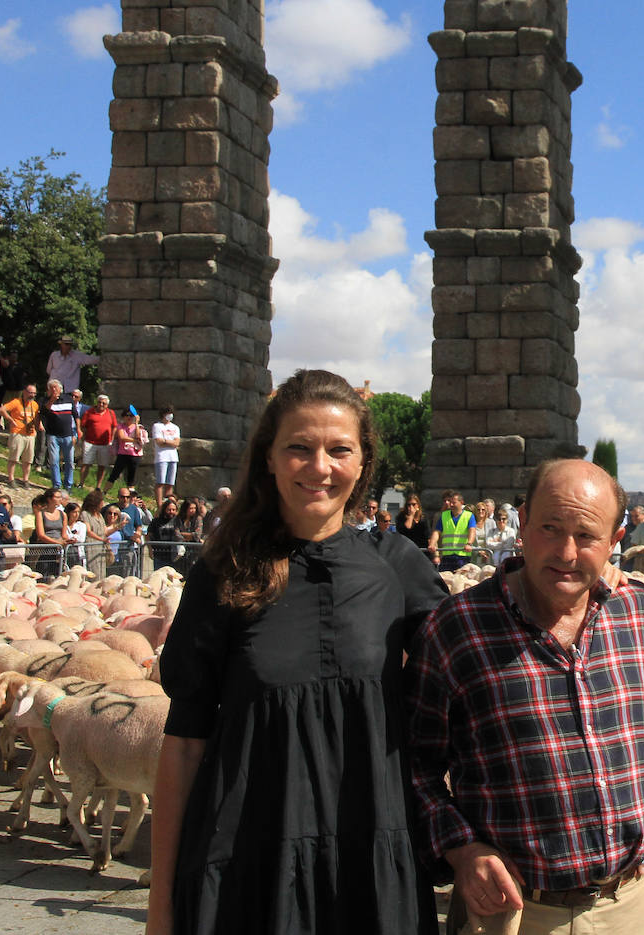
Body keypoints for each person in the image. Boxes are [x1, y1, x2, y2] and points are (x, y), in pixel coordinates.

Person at [148, 369, 446, 934]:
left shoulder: (399, 566)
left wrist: (583, 581)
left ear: (362, 463)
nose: (320, 467)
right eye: (299, 449)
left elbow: (481, 663)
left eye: (339, 450)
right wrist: (161, 909)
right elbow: (184, 744)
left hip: (373, 856)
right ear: (269, 457)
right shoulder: (223, 573)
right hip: (248, 861)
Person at [405, 458, 644, 934]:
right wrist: (462, 848)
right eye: (550, 527)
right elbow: (413, 765)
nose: (566, 552)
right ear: (522, 523)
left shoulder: (640, 614)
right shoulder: (456, 628)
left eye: (587, 536)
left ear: (614, 541)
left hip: (628, 906)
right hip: (509, 912)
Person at [39, 380, 78, 490]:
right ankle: (56, 485)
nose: (53, 390)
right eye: (51, 388)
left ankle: (68, 485)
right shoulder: (44, 400)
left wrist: (78, 431)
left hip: (67, 435)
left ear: (60, 389)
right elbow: (44, 413)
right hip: (53, 435)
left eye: (55, 388)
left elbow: (76, 415)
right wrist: (52, 400)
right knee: (54, 460)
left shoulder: (68, 399)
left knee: (70, 461)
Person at [0, 383, 39, 487]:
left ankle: (25, 480)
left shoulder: (35, 405)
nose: (32, 395)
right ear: (24, 392)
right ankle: (11, 478)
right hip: (17, 433)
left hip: (30, 434)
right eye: (30, 393)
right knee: (14, 458)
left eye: (34, 393)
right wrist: (10, 420)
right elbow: (1, 410)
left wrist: (39, 426)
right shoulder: (16, 402)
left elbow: (37, 417)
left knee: (28, 460)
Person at [429, 488, 477, 571]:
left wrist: (469, 543)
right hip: (447, 555)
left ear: (461, 502)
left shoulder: (469, 516)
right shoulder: (444, 515)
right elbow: (437, 532)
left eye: (453, 502)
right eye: (450, 502)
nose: (451, 504)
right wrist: (432, 544)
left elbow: (472, 530)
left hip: (462, 555)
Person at [77, 393, 118, 491]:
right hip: (90, 441)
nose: (101, 405)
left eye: (104, 403)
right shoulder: (89, 412)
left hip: (105, 443)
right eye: (99, 402)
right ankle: (81, 483)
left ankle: (98, 486)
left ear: (107, 405)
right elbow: (83, 425)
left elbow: (114, 427)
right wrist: (84, 437)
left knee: (102, 465)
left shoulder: (111, 413)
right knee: (86, 463)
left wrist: (112, 439)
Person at [108, 407, 148, 490]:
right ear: (123, 416)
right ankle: (104, 493)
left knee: (131, 477)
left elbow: (138, 435)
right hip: (122, 453)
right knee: (114, 474)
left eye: (131, 415)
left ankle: (130, 497)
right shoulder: (120, 426)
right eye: (127, 415)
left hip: (135, 454)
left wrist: (136, 423)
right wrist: (135, 440)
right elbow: (122, 437)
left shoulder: (138, 427)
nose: (129, 417)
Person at [32, 488, 68, 577]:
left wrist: (69, 540)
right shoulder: (40, 514)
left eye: (61, 497)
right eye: (58, 497)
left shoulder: (63, 514)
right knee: (43, 575)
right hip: (44, 550)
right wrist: (58, 542)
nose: (60, 499)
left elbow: (64, 534)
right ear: (49, 499)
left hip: (58, 551)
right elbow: (41, 535)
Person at [152, 405, 181, 506]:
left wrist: (165, 441)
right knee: (160, 482)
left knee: (170, 484)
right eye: (168, 413)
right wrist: (170, 442)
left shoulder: (175, 427)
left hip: (173, 458)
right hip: (161, 457)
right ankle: (160, 505)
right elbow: (159, 441)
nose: (170, 415)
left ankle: (168, 504)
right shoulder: (157, 426)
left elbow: (177, 443)